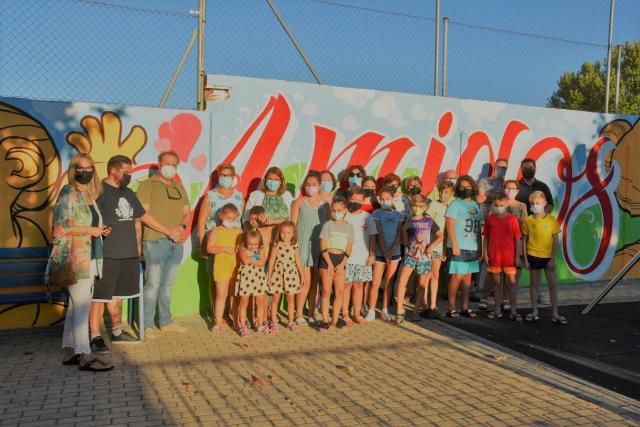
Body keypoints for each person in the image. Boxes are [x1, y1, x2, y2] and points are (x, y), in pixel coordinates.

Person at [89, 155, 180, 355]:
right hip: (107, 254)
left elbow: (143, 216)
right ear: (114, 171)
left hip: (127, 254)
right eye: (127, 172)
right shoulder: (98, 192)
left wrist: (167, 231)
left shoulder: (128, 193)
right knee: (100, 297)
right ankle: (95, 337)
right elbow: (87, 219)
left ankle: (116, 331)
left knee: (118, 296)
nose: (130, 176)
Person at [47, 153, 112, 371]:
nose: (85, 171)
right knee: (82, 307)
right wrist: (90, 230)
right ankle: (84, 356)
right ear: (73, 170)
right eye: (80, 168)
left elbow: (89, 224)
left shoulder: (89, 195)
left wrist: (100, 230)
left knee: (76, 307)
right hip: (75, 260)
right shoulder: (69, 193)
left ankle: (68, 353)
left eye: (89, 167)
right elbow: (59, 227)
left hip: (90, 257)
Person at [136, 151, 192, 338]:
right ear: (159, 164)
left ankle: (166, 321)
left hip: (176, 243)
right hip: (154, 241)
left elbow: (187, 212)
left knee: (167, 284)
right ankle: (147, 324)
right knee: (152, 283)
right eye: (167, 163)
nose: (170, 167)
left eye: (174, 164)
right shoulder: (147, 185)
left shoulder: (179, 187)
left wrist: (180, 228)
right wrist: (168, 231)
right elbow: (143, 215)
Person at [395, 194, 443, 324]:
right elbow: (405, 242)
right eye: (415, 204)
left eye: (420, 205)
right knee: (402, 282)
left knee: (421, 285)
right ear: (411, 206)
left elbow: (440, 236)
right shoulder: (409, 221)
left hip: (424, 258)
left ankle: (416, 312)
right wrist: (404, 230)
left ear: (425, 206)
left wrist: (431, 246)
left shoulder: (429, 221)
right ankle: (399, 310)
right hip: (410, 256)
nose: (417, 207)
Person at [523, 191, 567, 324]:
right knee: (534, 285)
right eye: (532, 203)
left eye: (537, 203)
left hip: (548, 258)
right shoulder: (528, 220)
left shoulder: (551, 220)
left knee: (552, 285)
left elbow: (555, 241)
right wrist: (525, 259)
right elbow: (524, 240)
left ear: (544, 203)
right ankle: (535, 311)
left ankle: (554, 313)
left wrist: (553, 259)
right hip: (533, 255)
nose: (535, 205)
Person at [290, 171, 327, 325]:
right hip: (304, 245)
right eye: (308, 184)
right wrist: (294, 246)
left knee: (315, 284)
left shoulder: (325, 203)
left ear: (319, 186)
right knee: (304, 282)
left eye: (314, 185)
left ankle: (312, 313)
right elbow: (292, 225)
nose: (310, 187)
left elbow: (330, 224)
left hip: (320, 245)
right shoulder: (298, 202)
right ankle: (299, 313)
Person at [445, 176, 482, 319]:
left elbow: (477, 228)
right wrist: (454, 244)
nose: (465, 189)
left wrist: (479, 246)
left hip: (472, 246)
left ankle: (465, 307)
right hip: (458, 246)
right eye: (462, 186)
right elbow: (449, 224)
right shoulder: (455, 204)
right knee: (457, 277)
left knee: (468, 279)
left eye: (468, 186)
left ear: (473, 188)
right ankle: (451, 308)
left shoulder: (475, 205)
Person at [482, 194, 523, 321]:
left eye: (501, 205)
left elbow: (517, 239)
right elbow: (486, 238)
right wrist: (485, 254)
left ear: (506, 205)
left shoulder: (513, 219)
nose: (498, 207)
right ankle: (497, 310)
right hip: (494, 255)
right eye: (496, 205)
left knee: (511, 283)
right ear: (493, 205)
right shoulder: (490, 219)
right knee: (496, 284)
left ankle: (514, 311)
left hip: (509, 257)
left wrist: (517, 256)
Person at [366, 187, 404, 322]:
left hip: (395, 253)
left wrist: (391, 250)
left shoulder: (399, 215)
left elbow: (399, 234)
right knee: (375, 282)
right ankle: (371, 310)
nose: (384, 201)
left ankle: (385, 309)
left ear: (393, 198)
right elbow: (379, 233)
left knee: (389, 282)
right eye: (381, 199)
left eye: (387, 199)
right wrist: (384, 251)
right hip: (380, 253)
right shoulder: (376, 213)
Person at [318, 198, 354, 330]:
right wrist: (330, 264)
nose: (336, 213)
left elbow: (349, 247)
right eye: (333, 210)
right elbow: (323, 246)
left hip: (341, 260)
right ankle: (325, 320)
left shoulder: (349, 227)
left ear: (345, 211)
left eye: (339, 210)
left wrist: (342, 263)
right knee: (327, 291)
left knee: (339, 292)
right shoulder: (327, 225)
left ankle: (335, 320)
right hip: (327, 259)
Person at [206, 203, 242, 333]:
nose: (231, 221)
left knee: (234, 296)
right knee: (221, 295)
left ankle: (237, 322)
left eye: (233, 218)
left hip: (235, 267)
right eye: (228, 218)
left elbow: (242, 248)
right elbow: (209, 248)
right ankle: (217, 322)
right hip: (221, 267)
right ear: (221, 216)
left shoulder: (238, 231)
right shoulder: (215, 231)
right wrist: (224, 249)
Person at [343, 188, 377, 325]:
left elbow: (373, 237)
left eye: (359, 200)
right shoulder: (344, 215)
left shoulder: (367, 217)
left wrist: (372, 255)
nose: (356, 202)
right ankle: (345, 313)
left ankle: (357, 314)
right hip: (346, 259)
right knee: (346, 286)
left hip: (363, 258)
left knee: (359, 286)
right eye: (353, 199)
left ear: (363, 201)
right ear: (348, 199)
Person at [267, 221, 304, 332]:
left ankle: (291, 321)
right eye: (283, 233)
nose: (285, 235)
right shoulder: (276, 245)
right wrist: (269, 276)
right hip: (278, 274)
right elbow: (271, 261)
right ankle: (274, 322)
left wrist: (302, 275)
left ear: (293, 234)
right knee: (275, 299)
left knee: (290, 299)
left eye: (288, 233)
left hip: (291, 275)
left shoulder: (294, 246)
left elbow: (298, 261)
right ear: (279, 233)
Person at [424, 180, 453, 316]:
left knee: (435, 274)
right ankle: (424, 302)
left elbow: (448, 231)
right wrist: (430, 245)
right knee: (426, 275)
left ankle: (433, 304)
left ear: (452, 193)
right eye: (441, 191)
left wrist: (445, 249)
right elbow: (427, 224)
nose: (443, 194)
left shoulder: (451, 208)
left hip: (441, 247)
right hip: (431, 245)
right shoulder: (433, 205)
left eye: (446, 192)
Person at [197, 163, 244, 245]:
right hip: (215, 242)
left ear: (233, 177)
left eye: (228, 175)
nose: (225, 178)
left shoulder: (239, 197)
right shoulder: (210, 196)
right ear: (218, 176)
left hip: (235, 241)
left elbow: (242, 221)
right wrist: (203, 247)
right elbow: (201, 223)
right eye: (223, 175)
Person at [235, 229, 268, 337]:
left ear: (259, 242)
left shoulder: (261, 249)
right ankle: (243, 326)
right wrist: (255, 259)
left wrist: (250, 258)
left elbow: (262, 262)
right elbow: (244, 260)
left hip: (258, 278)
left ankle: (260, 324)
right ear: (245, 242)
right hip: (246, 279)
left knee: (260, 302)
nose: (253, 247)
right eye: (250, 244)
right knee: (244, 302)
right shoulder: (242, 248)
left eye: (255, 244)